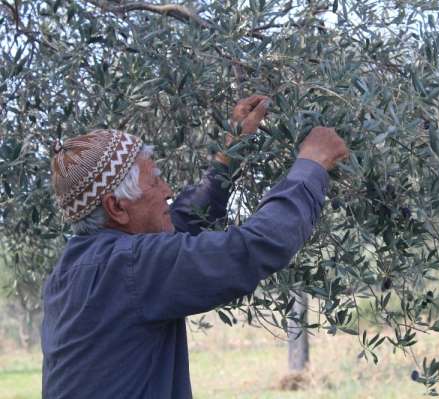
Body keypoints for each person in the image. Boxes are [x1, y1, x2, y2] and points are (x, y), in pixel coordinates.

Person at [41, 94, 349, 398]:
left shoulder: (74, 270)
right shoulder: (132, 268)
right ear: (116, 207)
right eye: (154, 182)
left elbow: (181, 222)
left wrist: (232, 151)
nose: (167, 190)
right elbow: (257, 246)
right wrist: (312, 165)